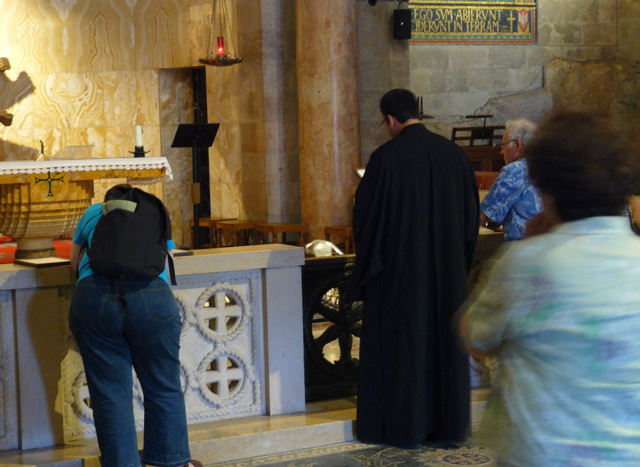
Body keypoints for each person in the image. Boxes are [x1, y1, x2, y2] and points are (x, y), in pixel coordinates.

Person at [460, 109, 640, 466]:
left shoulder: (528, 264)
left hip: (543, 454)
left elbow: (474, 336)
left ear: (548, 189)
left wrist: (532, 246)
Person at [348, 89, 480, 448]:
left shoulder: (385, 159)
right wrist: (457, 267)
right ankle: (449, 428)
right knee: (444, 351)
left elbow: (366, 223)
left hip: (399, 280)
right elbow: (472, 224)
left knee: (405, 352)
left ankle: (405, 428)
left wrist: (367, 276)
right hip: (449, 278)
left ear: (390, 119)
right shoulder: (456, 156)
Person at [69, 184, 201, 467]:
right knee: (163, 385)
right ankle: (172, 463)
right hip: (152, 299)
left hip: (94, 299)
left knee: (110, 393)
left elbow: (73, 262)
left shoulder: (92, 212)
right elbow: (169, 258)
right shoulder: (154, 213)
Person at [480, 119, 542, 240]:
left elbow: (482, 217)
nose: (501, 152)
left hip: (524, 249)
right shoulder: (550, 165)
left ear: (517, 144)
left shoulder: (514, 170)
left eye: (504, 145)